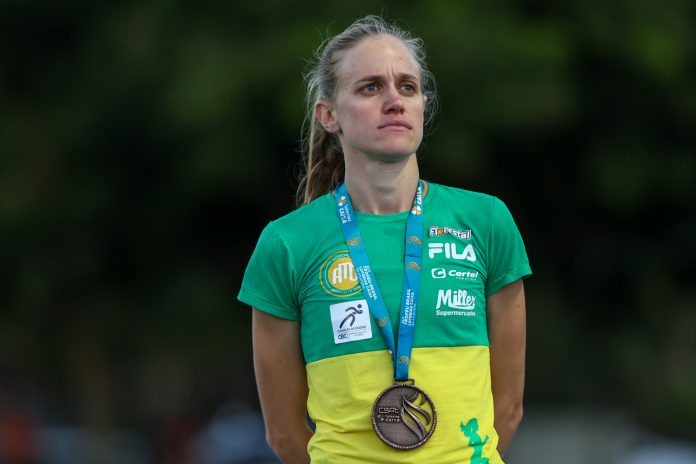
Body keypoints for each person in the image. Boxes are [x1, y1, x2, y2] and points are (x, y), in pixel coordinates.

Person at [238, 15, 531, 464]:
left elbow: (507, 409)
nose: (394, 101)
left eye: (407, 87)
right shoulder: (286, 244)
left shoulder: (486, 221)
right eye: (371, 87)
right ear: (329, 115)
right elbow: (283, 433)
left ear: (423, 106)